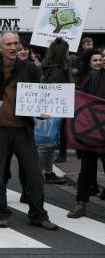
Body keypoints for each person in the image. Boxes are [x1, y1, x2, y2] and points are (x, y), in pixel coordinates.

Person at [0, 31, 58, 230]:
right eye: (9, 44)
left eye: (16, 44)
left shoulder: (30, 69)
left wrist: (41, 112)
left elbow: (37, 98)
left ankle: (38, 214)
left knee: (34, 174)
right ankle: (1, 213)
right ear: (0, 48)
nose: (13, 48)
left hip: (23, 130)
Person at [69, 51, 105, 218]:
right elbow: (82, 97)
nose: (103, 59)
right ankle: (81, 204)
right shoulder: (93, 76)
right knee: (86, 171)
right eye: (103, 56)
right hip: (91, 132)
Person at [39, 38, 71, 181]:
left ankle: (46, 171)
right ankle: (40, 173)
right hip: (54, 109)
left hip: (47, 107)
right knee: (47, 142)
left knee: (46, 141)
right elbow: (56, 90)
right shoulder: (58, 69)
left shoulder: (46, 65)